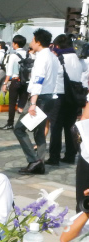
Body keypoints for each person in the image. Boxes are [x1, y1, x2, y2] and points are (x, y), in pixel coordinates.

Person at [14, 29, 59, 175]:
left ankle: (34, 161)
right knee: (39, 133)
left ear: (38, 41)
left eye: (33, 39)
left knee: (19, 129)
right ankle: (40, 163)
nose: (31, 42)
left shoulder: (42, 57)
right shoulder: (53, 57)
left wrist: (33, 102)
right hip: (49, 97)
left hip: (39, 99)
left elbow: (38, 79)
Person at [47, 34, 87, 165]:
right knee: (70, 126)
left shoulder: (59, 57)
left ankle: (54, 157)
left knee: (56, 127)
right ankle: (70, 155)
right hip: (75, 96)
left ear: (57, 46)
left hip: (60, 94)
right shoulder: (78, 58)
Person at [0, 35, 28, 130]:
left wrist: (5, 84)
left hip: (15, 81)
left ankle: (10, 123)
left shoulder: (13, 56)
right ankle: (25, 124)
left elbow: (9, 72)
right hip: (26, 81)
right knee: (23, 104)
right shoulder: (28, 54)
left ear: (15, 44)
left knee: (12, 104)